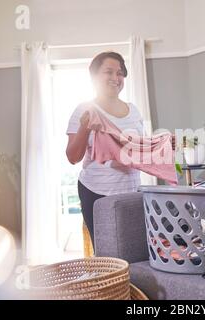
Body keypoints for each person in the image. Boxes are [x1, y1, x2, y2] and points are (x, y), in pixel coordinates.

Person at [66, 52, 145, 247]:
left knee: (135, 249)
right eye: (108, 72)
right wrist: (85, 126)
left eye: (119, 73)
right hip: (97, 192)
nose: (115, 78)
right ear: (94, 76)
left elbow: (141, 151)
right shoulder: (83, 109)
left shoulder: (133, 110)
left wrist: (163, 144)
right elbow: (73, 157)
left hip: (131, 192)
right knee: (106, 252)